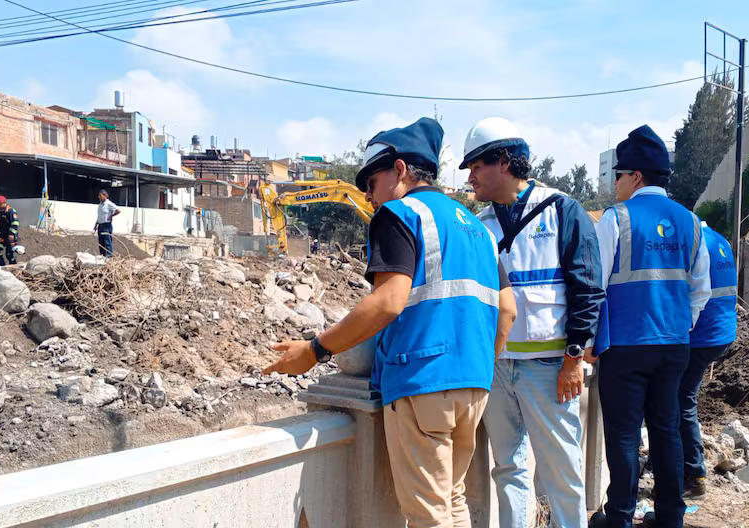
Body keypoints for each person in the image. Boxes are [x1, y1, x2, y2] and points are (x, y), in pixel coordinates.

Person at [264, 117, 517, 528]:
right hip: (475, 383)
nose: (368, 195)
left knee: (427, 516)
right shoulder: (476, 227)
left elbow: (387, 301)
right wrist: (478, 363)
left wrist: (313, 351)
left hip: (423, 380)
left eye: (371, 182)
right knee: (451, 501)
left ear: (399, 171)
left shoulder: (400, 214)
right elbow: (507, 311)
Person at [463, 117, 605, 528]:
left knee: (560, 469)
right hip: (498, 368)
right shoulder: (482, 224)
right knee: (508, 468)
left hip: (549, 369)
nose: (470, 176)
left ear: (504, 162)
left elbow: (587, 287)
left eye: (476, 166)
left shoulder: (562, 211)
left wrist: (573, 358)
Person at [589, 125, 711, 528]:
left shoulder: (616, 219)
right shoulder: (691, 222)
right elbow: (701, 290)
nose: (615, 184)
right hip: (674, 346)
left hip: (624, 346)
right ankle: (670, 516)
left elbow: (593, 286)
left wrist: (587, 342)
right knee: (667, 429)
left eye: (618, 176)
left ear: (635, 176)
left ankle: (620, 515)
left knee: (623, 435)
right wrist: (680, 328)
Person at [680, 221, 737, 500]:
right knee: (681, 399)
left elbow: (691, 293)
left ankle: (694, 475)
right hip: (721, 333)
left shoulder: (696, 242)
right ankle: (679, 462)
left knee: (681, 401)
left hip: (701, 335)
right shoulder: (721, 240)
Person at [0, 195, 20, 266]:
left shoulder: (11, 211)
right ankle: (2, 267)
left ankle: (14, 268)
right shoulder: (0, 213)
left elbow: (15, 223)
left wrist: (11, 234)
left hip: (10, 236)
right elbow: (0, 226)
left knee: (9, 254)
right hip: (3, 235)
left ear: (3, 203)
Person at [93, 190, 120, 257]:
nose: (99, 197)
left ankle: (109, 256)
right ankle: (102, 255)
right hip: (100, 225)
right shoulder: (100, 204)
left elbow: (118, 210)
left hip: (106, 226)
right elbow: (100, 215)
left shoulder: (109, 204)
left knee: (107, 241)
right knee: (101, 241)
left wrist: (111, 216)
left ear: (105, 196)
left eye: (100, 195)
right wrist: (96, 224)